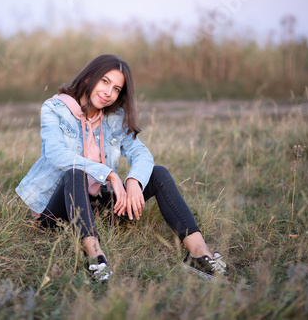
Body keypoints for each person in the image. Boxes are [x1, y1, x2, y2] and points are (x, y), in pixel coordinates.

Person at [16, 54, 228, 282]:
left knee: (159, 173)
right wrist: (110, 175)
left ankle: (199, 254)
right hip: (56, 213)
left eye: (117, 89)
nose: (109, 92)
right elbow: (57, 154)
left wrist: (133, 181)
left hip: (95, 208)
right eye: (105, 82)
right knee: (75, 172)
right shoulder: (54, 108)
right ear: (89, 78)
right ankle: (96, 259)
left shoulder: (113, 118)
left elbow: (141, 154)